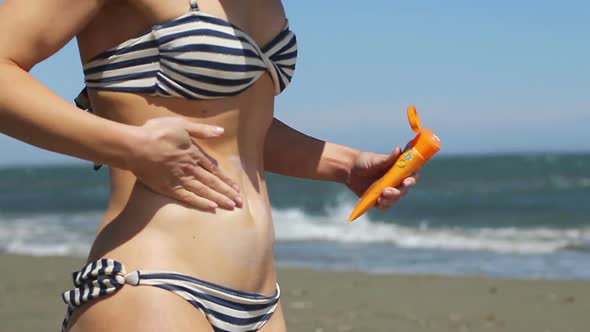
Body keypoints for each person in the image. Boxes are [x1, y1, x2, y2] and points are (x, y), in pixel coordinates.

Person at [0, 0, 419, 331]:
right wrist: (127, 145)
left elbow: (227, 125)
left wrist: (344, 164)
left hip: (261, 301)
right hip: (153, 287)